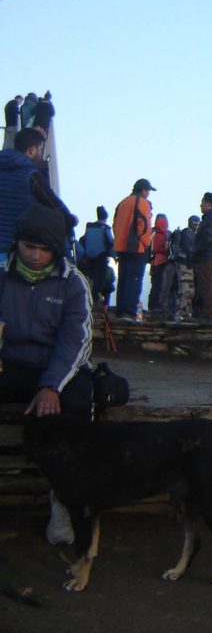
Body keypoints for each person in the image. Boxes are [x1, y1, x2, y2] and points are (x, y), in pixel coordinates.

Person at [0, 204, 95, 546]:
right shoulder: (2, 275)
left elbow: (76, 342)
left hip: (57, 368)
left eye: (44, 249)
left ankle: (63, 502)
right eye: (29, 247)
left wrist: (51, 385)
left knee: (78, 404)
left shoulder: (73, 283)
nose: (36, 255)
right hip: (9, 364)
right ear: (17, 244)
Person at [0, 128, 76, 266]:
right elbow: (54, 205)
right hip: (13, 248)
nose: (41, 154)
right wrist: (70, 220)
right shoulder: (31, 175)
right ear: (32, 150)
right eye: (41, 149)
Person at [112, 178, 156, 320]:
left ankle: (121, 311)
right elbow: (143, 225)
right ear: (143, 190)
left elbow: (115, 224)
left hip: (121, 247)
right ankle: (129, 312)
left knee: (123, 279)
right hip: (136, 248)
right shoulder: (142, 203)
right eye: (148, 190)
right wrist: (147, 242)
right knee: (134, 280)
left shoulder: (123, 202)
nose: (148, 193)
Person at [192, 192, 212, 321]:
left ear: (208, 204)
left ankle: (206, 315)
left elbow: (207, 238)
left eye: (203, 202)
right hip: (209, 255)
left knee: (206, 286)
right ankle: (204, 313)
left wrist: (196, 251)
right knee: (204, 286)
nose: (200, 205)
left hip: (206, 257)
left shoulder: (211, 220)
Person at [80, 206, 115, 304]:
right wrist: (114, 255)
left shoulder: (89, 227)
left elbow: (83, 240)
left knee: (91, 278)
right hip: (101, 257)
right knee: (100, 280)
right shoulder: (105, 228)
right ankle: (97, 300)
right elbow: (110, 243)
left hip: (89, 257)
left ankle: (91, 298)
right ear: (105, 217)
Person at [173, 216, 199, 321]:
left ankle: (185, 312)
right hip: (185, 266)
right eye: (196, 224)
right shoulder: (187, 234)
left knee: (188, 290)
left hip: (186, 265)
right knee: (185, 290)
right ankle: (181, 313)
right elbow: (190, 250)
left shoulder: (189, 234)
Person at [148, 214, 171, 316]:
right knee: (157, 285)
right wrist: (167, 250)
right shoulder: (160, 234)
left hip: (155, 262)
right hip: (160, 262)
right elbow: (157, 248)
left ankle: (154, 305)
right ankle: (155, 305)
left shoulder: (155, 233)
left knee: (156, 284)